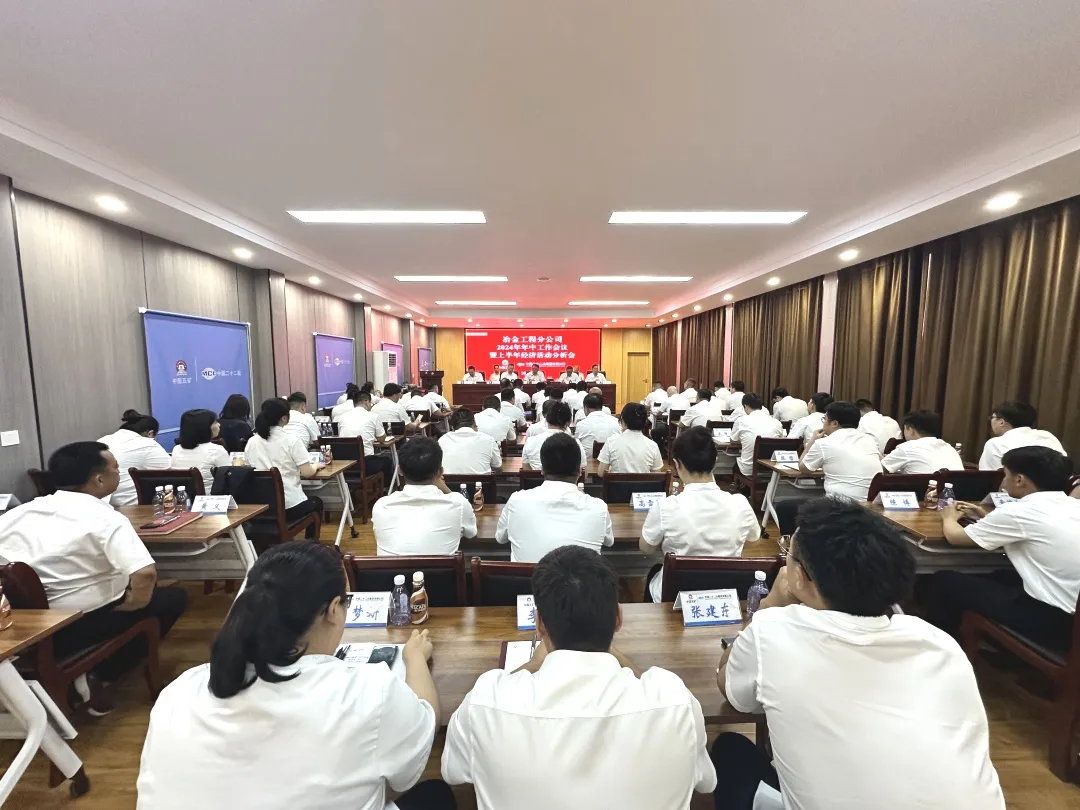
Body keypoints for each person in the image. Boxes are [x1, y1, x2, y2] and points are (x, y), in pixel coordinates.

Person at [712, 497, 1004, 810]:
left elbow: (732, 691)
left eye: (789, 555)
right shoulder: (940, 643)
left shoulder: (773, 630)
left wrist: (769, 605)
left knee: (730, 750)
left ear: (800, 576)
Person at [137, 541, 453, 810]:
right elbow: (423, 728)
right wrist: (414, 658)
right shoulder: (367, 693)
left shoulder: (178, 693)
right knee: (436, 794)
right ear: (333, 610)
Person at [442, 545, 714, 808]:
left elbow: (453, 772)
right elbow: (706, 783)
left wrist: (532, 663)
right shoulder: (675, 701)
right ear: (618, 618)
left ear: (539, 624)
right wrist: (614, 654)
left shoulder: (486, 701)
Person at [0, 442, 187, 710]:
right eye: (116, 469)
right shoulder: (104, 518)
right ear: (99, 479)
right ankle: (100, 674)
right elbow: (145, 574)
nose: (119, 473)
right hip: (79, 624)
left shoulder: (17, 514)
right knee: (172, 599)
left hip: (23, 626)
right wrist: (135, 603)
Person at [933, 446, 1078, 650]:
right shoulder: (1073, 505)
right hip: (1071, 613)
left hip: (1053, 621)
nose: (1002, 481)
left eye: (1005, 474)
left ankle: (946, 648)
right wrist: (987, 516)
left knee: (943, 580)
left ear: (1019, 479)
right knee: (1000, 575)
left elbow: (956, 537)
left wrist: (948, 517)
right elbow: (1033, 531)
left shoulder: (1019, 511)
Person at [640, 427, 759, 603]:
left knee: (655, 573)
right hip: (724, 597)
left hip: (675, 597)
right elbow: (753, 540)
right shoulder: (740, 503)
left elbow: (646, 548)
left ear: (677, 464)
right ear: (715, 461)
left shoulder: (666, 506)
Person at [496, 434, 612, 561]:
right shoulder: (599, 508)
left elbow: (500, 538)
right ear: (580, 471)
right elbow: (609, 542)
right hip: (581, 574)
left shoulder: (516, 501)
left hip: (531, 575)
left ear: (542, 470)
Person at [371, 437, 477, 555]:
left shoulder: (381, 506)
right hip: (443, 568)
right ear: (440, 472)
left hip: (391, 568)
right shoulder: (458, 504)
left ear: (399, 470)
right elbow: (471, 533)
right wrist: (445, 488)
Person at [244, 398, 324, 536]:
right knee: (317, 503)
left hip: (260, 507)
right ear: (284, 418)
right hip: (288, 507)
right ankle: (310, 544)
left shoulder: (252, 441)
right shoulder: (291, 440)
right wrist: (316, 465)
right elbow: (307, 473)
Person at [799, 401, 882, 501]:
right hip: (871, 504)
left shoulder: (824, 443)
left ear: (834, 423)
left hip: (841, 504)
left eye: (825, 419)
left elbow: (803, 468)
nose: (823, 422)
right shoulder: (869, 439)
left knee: (787, 506)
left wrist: (812, 441)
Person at [98, 410, 171, 506]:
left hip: (100, 504)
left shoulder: (102, 440)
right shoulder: (147, 444)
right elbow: (171, 472)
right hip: (131, 506)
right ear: (150, 434)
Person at [978, 401, 1066, 470]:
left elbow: (988, 477)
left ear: (1001, 422)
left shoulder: (995, 444)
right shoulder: (1048, 436)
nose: (990, 421)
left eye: (992, 417)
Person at [337, 389, 393, 484]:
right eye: (371, 403)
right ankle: (386, 489)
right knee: (387, 460)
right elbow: (382, 438)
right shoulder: (373, 416)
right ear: (366, 402)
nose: (371, 405)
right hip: (365, 463)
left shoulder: (342, 417)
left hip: (345, 464)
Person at [881, 410, 964, 474]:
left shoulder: (907, 448)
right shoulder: (949, 448)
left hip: (924, 491)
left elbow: (879, 470)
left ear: (910, 430)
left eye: (905, 429)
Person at [171, 409, 231, 493]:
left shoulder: (176, 449)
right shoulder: (217, 450)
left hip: (184, 496)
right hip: (212, 497)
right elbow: (230, 478)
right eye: (215, 422)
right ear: (204, 428)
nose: (219, 424)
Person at [598, 403, 664, 476]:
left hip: (617, 483)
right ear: (645, 423)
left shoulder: (611, 442)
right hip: (643, 484)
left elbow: (601, 473)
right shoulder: (653, 446)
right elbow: (657, 475)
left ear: (623, 421)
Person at [730, 394, 785, 478]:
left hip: (749, 469)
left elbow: (733, 440)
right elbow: (781, 441)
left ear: (746, 406)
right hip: (771, 468)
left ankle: (741, 485)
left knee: (735, 467)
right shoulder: (777, 423)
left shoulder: (741, 421)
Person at [522, 401, 587, 472]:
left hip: (536, 479)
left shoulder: (530, 441)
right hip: (567, 479)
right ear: (568, 423)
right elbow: (583, 471)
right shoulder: (576, 443)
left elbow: (526, 469)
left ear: (546, 418)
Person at [439, 408, 503, 475]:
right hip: (481, 481)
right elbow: (498, 468)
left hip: (448, 482)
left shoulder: (442, 440)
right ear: (474, 423)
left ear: (452, 427)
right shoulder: (489, 440)